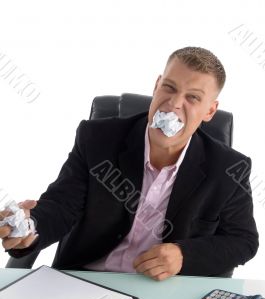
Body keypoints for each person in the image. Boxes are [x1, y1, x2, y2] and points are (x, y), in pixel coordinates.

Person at [0, 47, 259, 280]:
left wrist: (184, 255)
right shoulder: (97, 139)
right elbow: (62, 206)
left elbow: (243, 241)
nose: (174, 104)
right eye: (169, 87)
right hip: (85, 283)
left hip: (162, 293)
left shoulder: (228, 168)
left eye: (192, 98)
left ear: (210, 111)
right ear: (156, 86)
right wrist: (30, 228)